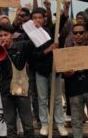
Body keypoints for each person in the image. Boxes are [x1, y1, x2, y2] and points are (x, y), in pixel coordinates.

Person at [0, 23, 36, 138]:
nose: (3, 38)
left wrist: (35, 28)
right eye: (1, 36)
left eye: (6, 35)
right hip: (6, 91)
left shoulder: (22, 46)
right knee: (10, 126)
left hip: (22, 91)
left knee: (28, 125)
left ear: (12, 35)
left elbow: (36, 43)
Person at [29, 7, 68, 136]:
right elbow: (32, 56)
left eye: (40, 17)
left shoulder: (50, 30)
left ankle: (60, 124)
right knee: (42, 99)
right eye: (34, 18)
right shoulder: (29, 35)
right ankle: (44, 124)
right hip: (40, 71)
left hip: (54, 69)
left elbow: (61, 22)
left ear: (44, 19)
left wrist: (66, 8)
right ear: (31, 20)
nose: (37, 20)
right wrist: (48, 50)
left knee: (57, 99)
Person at [64, 24, 88, 138]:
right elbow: (63, 72)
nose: (78, 35)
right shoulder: (67, 51)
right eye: (75, 33)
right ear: (72, 35)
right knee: (76, 123)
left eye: (81, 32)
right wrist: (67, 73)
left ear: (86, 34)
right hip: (74, 91)